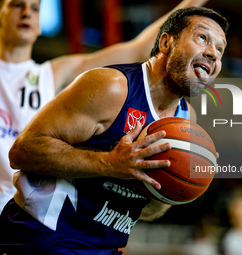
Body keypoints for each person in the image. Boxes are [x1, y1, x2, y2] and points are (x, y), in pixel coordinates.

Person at [0, 6, 228, 254]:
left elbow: (147, 206)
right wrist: (109, 164)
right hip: (43, 239)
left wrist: (186, 185)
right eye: (202, 38)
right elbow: (23, 150)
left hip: (105, 247)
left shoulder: (186, 119)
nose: (213, 54)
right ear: (165, 43)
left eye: (219, 49)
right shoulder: (113, 86)